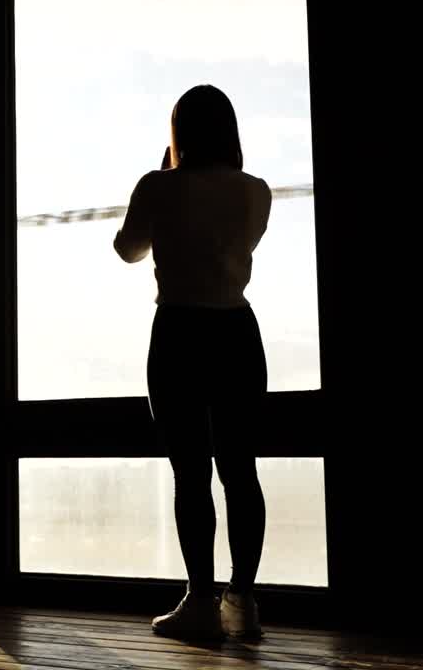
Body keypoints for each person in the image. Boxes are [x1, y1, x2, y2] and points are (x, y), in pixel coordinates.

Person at [114, 85, 272, 641]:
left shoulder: (159, 186)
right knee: (241, 471)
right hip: (237, 330)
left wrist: (162, 179)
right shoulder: (257, 191)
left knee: (191, 473)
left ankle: (199, 602)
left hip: (179, 330)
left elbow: (128, 250)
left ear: (178, 132)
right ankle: (244, 602)